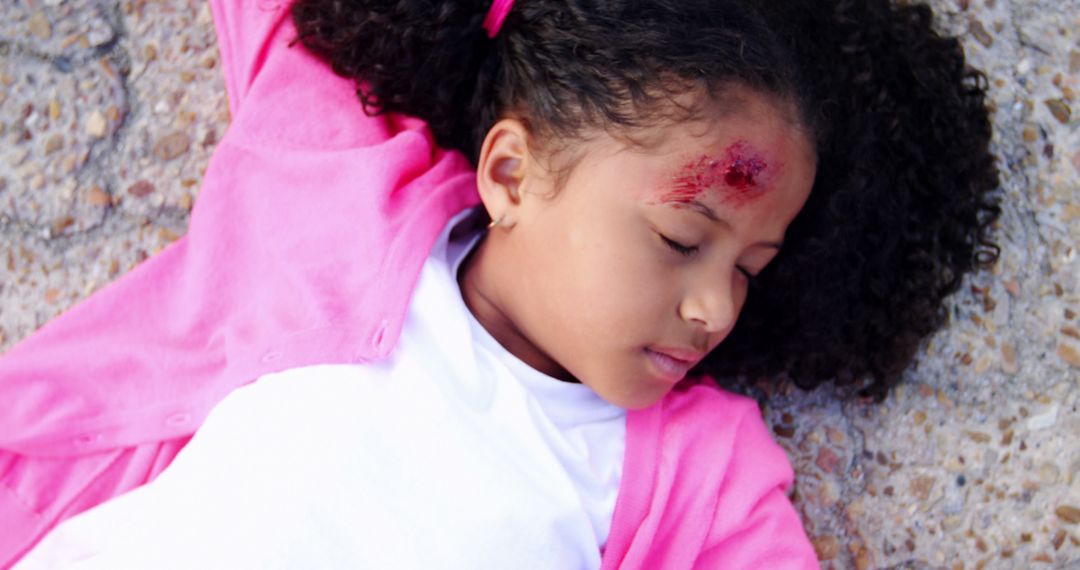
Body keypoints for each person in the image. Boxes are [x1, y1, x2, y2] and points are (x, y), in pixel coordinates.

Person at [1, 0, 999, 567]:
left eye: (749, 269)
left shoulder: (695, 471)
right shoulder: (351, 198)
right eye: (680, 237)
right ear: (512, 172)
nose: (714, 307)